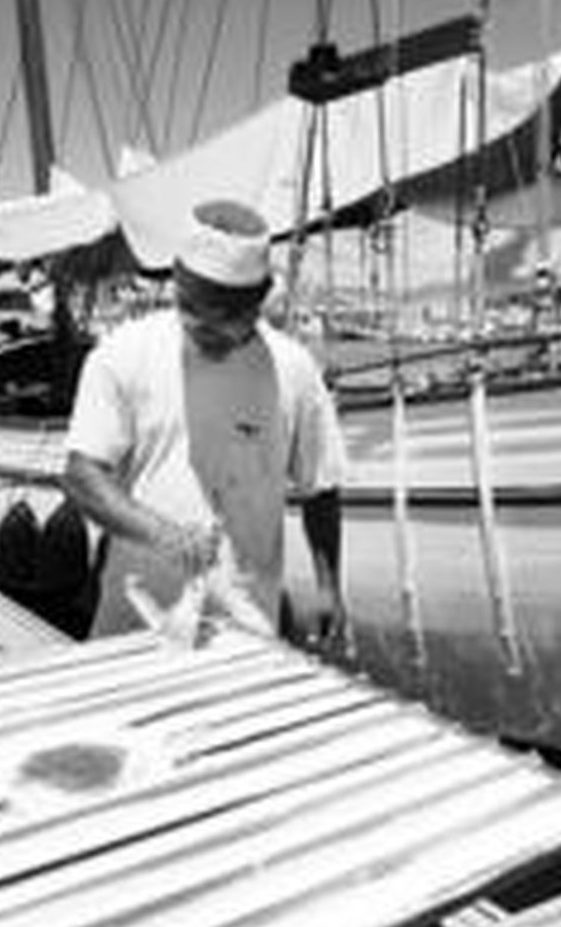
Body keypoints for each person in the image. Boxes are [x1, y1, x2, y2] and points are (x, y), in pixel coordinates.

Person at [62, 198, 348, 646]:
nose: (205, 327)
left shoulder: (294, 370)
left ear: (258, 302)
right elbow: (82, 478)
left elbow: (321, 486)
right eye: (193, 309)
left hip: (247, 632)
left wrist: (329, 588)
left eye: (226, 316)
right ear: (177, 285)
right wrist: (162, 535)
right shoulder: (122, 355)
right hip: (133, 628)